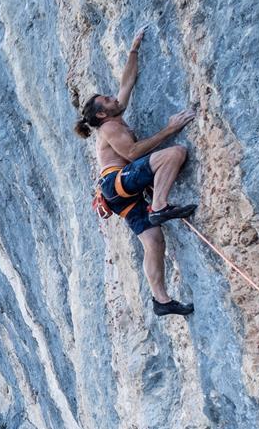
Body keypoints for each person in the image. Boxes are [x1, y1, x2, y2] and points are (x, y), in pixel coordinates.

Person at [75, 26, 198, 317]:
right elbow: (132, 153)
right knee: (175, 153)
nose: (113, 97)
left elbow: (126, 84)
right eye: (107, 99)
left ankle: (161, 300)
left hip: (120, 195)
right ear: (103, 114)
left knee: (153, 241)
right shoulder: (111, 127)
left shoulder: (112, 115)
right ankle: (160, 205)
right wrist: (172, 128)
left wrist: (133, 50)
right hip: (117, 184)